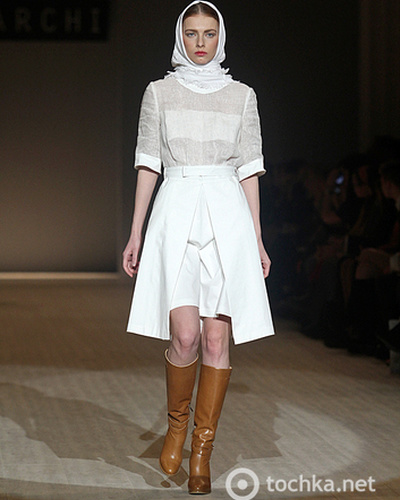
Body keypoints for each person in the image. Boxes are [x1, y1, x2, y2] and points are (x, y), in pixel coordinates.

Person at [122, 1, 274, 494]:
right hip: (176, 212)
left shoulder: (243, 97)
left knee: (215, 340)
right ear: (180, 36)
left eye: (209, 33)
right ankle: (176, 427)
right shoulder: (158, 93)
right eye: (192, 33)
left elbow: (249, 170)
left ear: (220, 37)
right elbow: (149, 163)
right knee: (185, 336)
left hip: (227, 216)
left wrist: (257, 238)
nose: (201, 42)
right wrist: (136, 232)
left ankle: (202, 451)